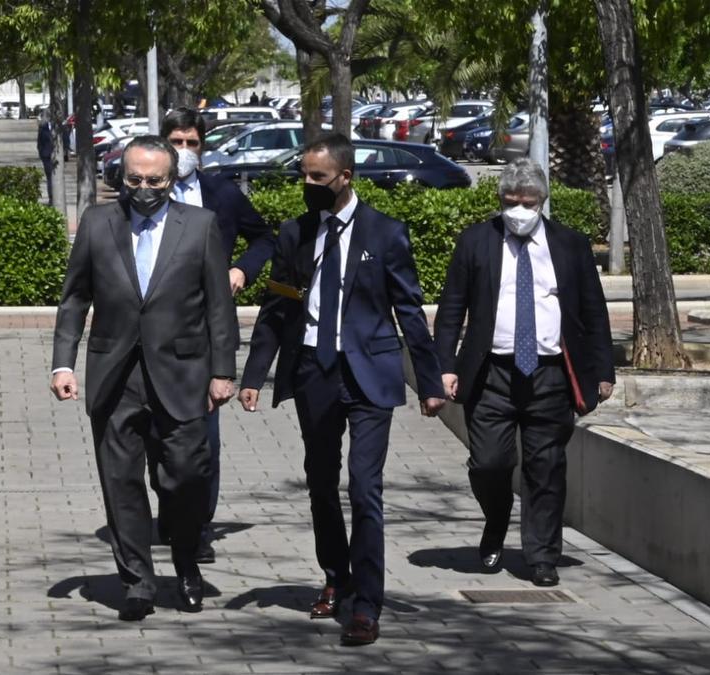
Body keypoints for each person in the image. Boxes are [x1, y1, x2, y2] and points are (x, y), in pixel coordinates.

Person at [238, 133, 447, 646]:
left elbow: (409, 313)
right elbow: (277, 308)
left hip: (370, 373)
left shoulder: (385, 233)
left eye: (317, 178)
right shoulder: (295, 234)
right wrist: (252, 376)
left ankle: (366, 605)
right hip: (314, 371)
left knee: (364, 486)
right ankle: (336, 575)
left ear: (345, 177)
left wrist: (429, 381)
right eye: (303, 176)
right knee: (320, 481)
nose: (307, 185)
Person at [50, 135, 238, 621]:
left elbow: (219, 305)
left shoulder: (199, 226)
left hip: (182, 375)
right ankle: (137, 582)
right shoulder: (97, 224)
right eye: (134, 178)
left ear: (171, 180)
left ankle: (185, 563)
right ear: (122, 177)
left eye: (154, 179)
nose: (144, 187)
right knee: (121, 483)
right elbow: (74, 299)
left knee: (184, 478)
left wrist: (222, 371)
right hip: (116, 375)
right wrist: (63, 362)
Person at [433, 158, 615, 588]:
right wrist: (443, 367)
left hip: (550, 374)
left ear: (542, 202)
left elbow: (594, 311)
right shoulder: (476, 242)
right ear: (500, 202)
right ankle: (496, 519)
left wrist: (602, 369)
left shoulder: (569, 245)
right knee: (489, 464)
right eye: (511, 202)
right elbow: (451, 309)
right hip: (491, 373)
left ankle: (542, 556)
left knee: (546, 466)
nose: (518, 210)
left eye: (527, 202)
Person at [154, 107, 276, 565]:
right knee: (158, 433)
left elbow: (265, 236)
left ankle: (200, 526)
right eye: (177, 142)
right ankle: (171, 508)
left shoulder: (221, 194)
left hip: (208, 331)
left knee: (205, 434)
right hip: (158, 331)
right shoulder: (146, 192)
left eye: (192, 143)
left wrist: (243, 269)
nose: (184, 152)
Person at [36, 111, 55, 205]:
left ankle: (55, 197)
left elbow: (65, 138)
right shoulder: (42, 128)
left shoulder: (57, 126)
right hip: (46, 156)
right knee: (50, 177)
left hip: (56, 157)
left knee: (55, 177)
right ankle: (51, 198)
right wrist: (42, 154)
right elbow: (39, 143)